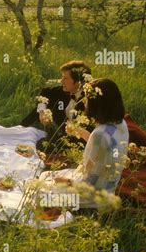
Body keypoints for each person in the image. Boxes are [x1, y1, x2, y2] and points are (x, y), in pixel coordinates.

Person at [40, 78, 129, 208]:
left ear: (96, 104)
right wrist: (80, 132)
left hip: (91, 196)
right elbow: (104, 149)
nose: (85, 103)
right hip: (108, 188)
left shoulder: (99, 134)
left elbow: (89, 182)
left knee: (40, 191)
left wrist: (68, 182)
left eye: (87, 100)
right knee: (46, 175)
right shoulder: (120, 123)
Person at [20, 60, 92, 151]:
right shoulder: (64, 90)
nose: (61, 81)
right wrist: (42, 111)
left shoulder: (91, 99)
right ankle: (21, 128)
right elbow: (45, 92)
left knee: (40, 145)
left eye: (65, 78)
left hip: (79, 142)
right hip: (63, 134)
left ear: (78, 82)